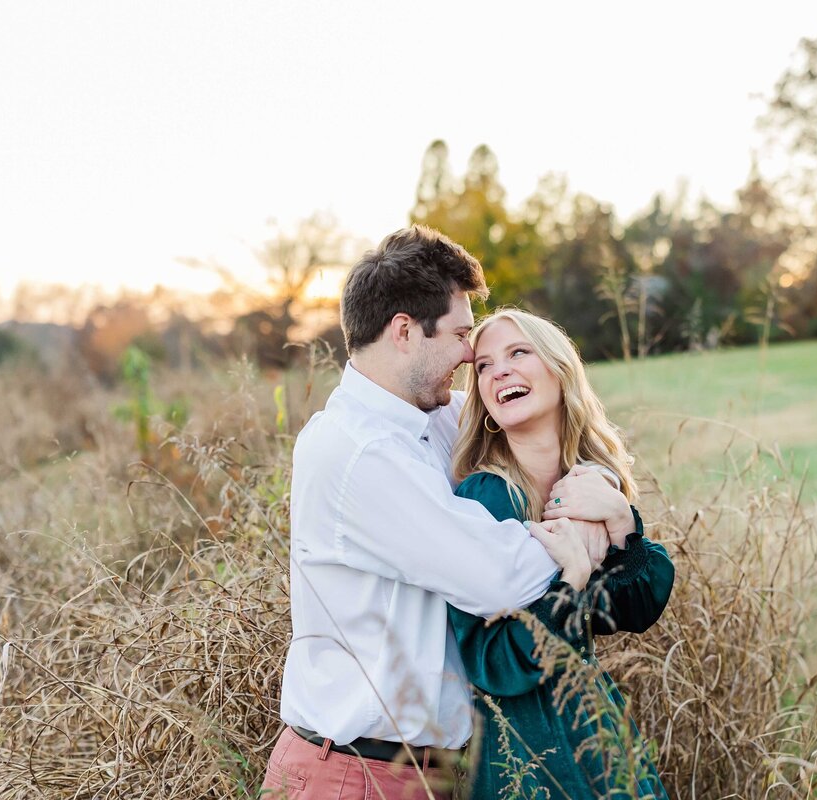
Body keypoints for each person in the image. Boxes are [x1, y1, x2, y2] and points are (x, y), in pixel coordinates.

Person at [262, 227, 620, 799]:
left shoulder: (431, 418)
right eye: (459, 334)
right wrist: (584, 531)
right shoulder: (357, 451)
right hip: (355, 775)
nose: (470, 353)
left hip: (432, 771)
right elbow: (498, 577)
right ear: (404, 331)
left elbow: (539, 429)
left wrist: (602, 485)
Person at [448, 308, 675, 799]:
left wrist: (621, 521)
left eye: (518, 352)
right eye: (483, 366)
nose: (498, 371)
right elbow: (494, 662)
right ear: (484, 400)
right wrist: (571, 580)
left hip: (598, 733)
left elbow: (633, 611)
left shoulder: (587, 483)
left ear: (559, 369)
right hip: (530, 755)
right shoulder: (486, 498)